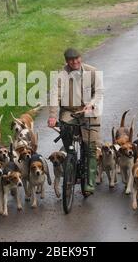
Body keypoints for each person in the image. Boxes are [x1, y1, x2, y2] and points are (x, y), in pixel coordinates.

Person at [48, 48, 103, 196]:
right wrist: (53, 116)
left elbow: (99, 92)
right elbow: (55, 96)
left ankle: (89, 183)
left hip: (89, 110)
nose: (75, 62)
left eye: (77, 59)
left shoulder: (92, 72)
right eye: (71, 60)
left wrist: (91, 104)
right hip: (69, 110)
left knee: (90, 146)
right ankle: (70, 159)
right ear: (66, 62)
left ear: (81, 58)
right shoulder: (61, 76)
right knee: (66, 132)